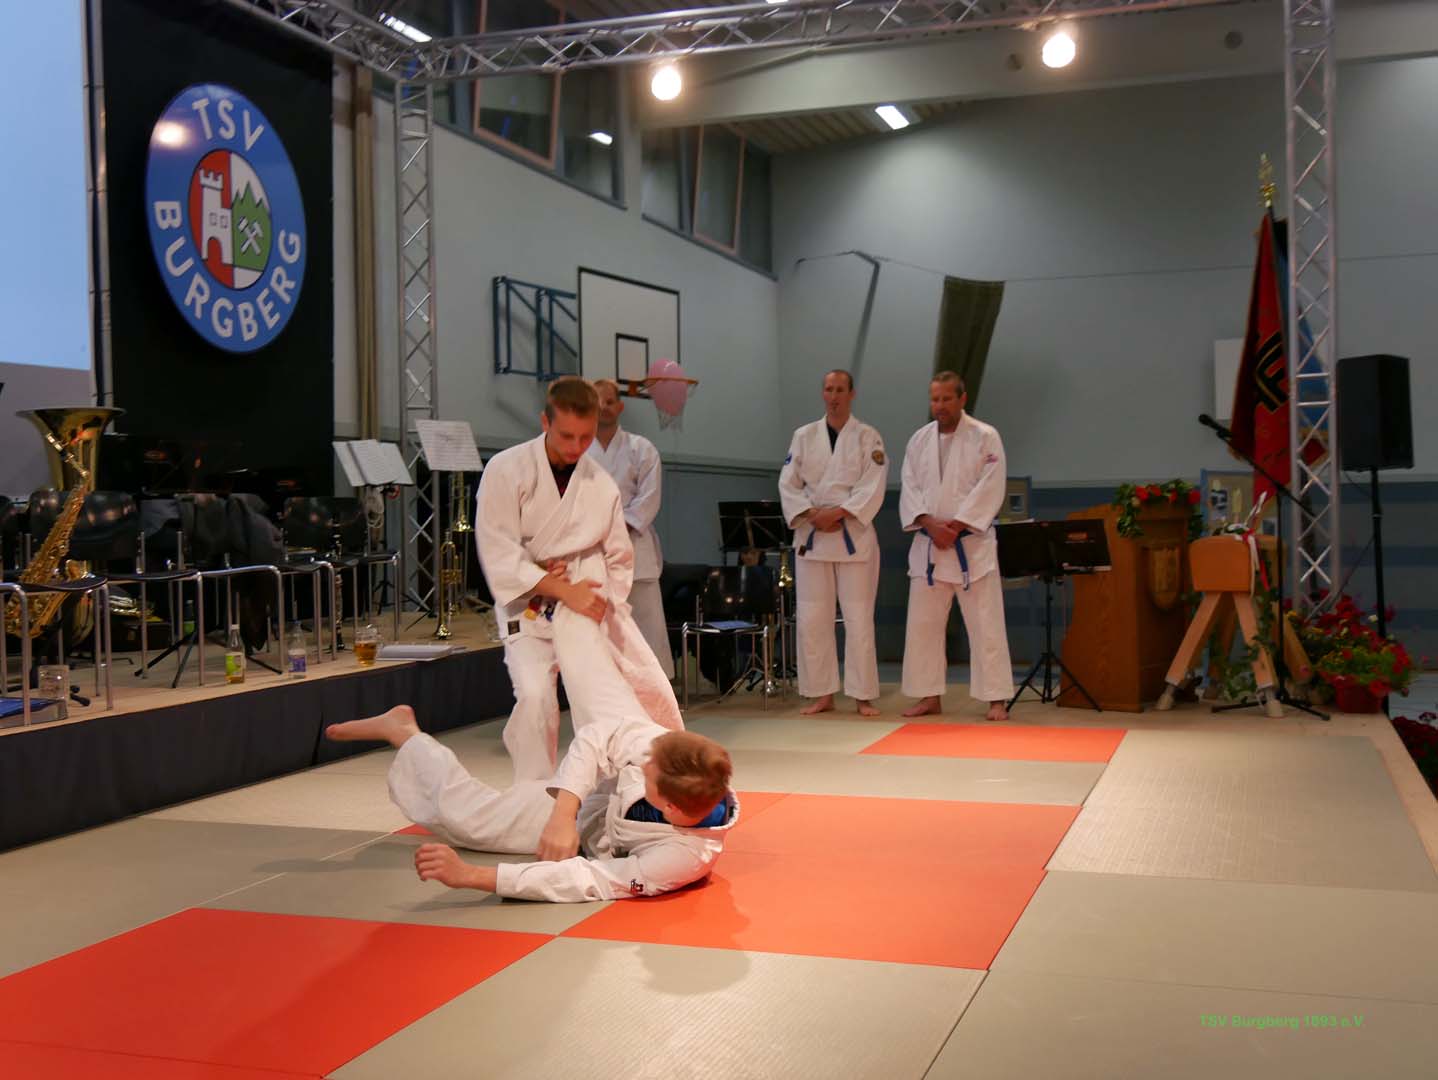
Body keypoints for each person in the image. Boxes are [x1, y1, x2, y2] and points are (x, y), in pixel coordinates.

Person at [474, 376, 681, 783]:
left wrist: (607, 603)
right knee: (534, 697)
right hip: (527, 603)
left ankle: (618, 789)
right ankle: (533, 792)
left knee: (606, 696)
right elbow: (498, 549)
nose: (576, 447)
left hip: (586, 603)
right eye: (566, 436)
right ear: (545, 421)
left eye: (585, 437)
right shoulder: (506, 469)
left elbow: (618, 555)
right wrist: (551, 582)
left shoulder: (600, 483)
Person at [326, 705, 738, 902]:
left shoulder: (683, 857)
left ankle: (405, 733)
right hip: (580, 804)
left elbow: (590, 880)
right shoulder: (673, 755)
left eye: (647, 776)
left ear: (671, 809)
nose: (643, 765)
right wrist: (563, 814)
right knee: (465, 819)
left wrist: (474, 876)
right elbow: (597, 736)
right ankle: (405, 732)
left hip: (590, 840)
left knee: (465, 825)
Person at [898, 371, 1014, 722]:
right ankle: (929, 696)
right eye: (935, 399)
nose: (940, 405)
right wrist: (931, 525)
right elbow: (910, 487)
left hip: (971, 546)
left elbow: (990, 486)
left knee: (986, 624)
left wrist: (958, 525)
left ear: (963, 399)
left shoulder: (985, 436)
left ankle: (995, 699)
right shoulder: (919, 440)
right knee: (923, 627)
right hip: (930, 546)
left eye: (947, 398)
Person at [777, 369, 889, 717]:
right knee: (812, 618)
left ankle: (862, 695)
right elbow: (788, 483)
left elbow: (873, 485)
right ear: (822, 393)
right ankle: (821, 692)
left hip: (851, 534)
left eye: (840, 389)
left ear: (852, 394)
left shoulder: (868, 437)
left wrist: (839, 513)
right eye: (829, 389)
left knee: (858, 619)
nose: (834, 396)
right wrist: (813, 514)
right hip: (813, 536)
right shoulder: (803, 436)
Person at [587, 379, 675, 679]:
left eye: (609, 401)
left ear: (620, 406)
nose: (603, 407)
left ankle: (658, 690)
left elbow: (649, 499)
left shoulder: (641, 448)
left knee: (647, 626)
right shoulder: (579, 451)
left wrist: (616, 527)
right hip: (592, 547)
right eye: (597, 401)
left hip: (634, 546)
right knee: (600, 629)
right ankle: (606, 690)